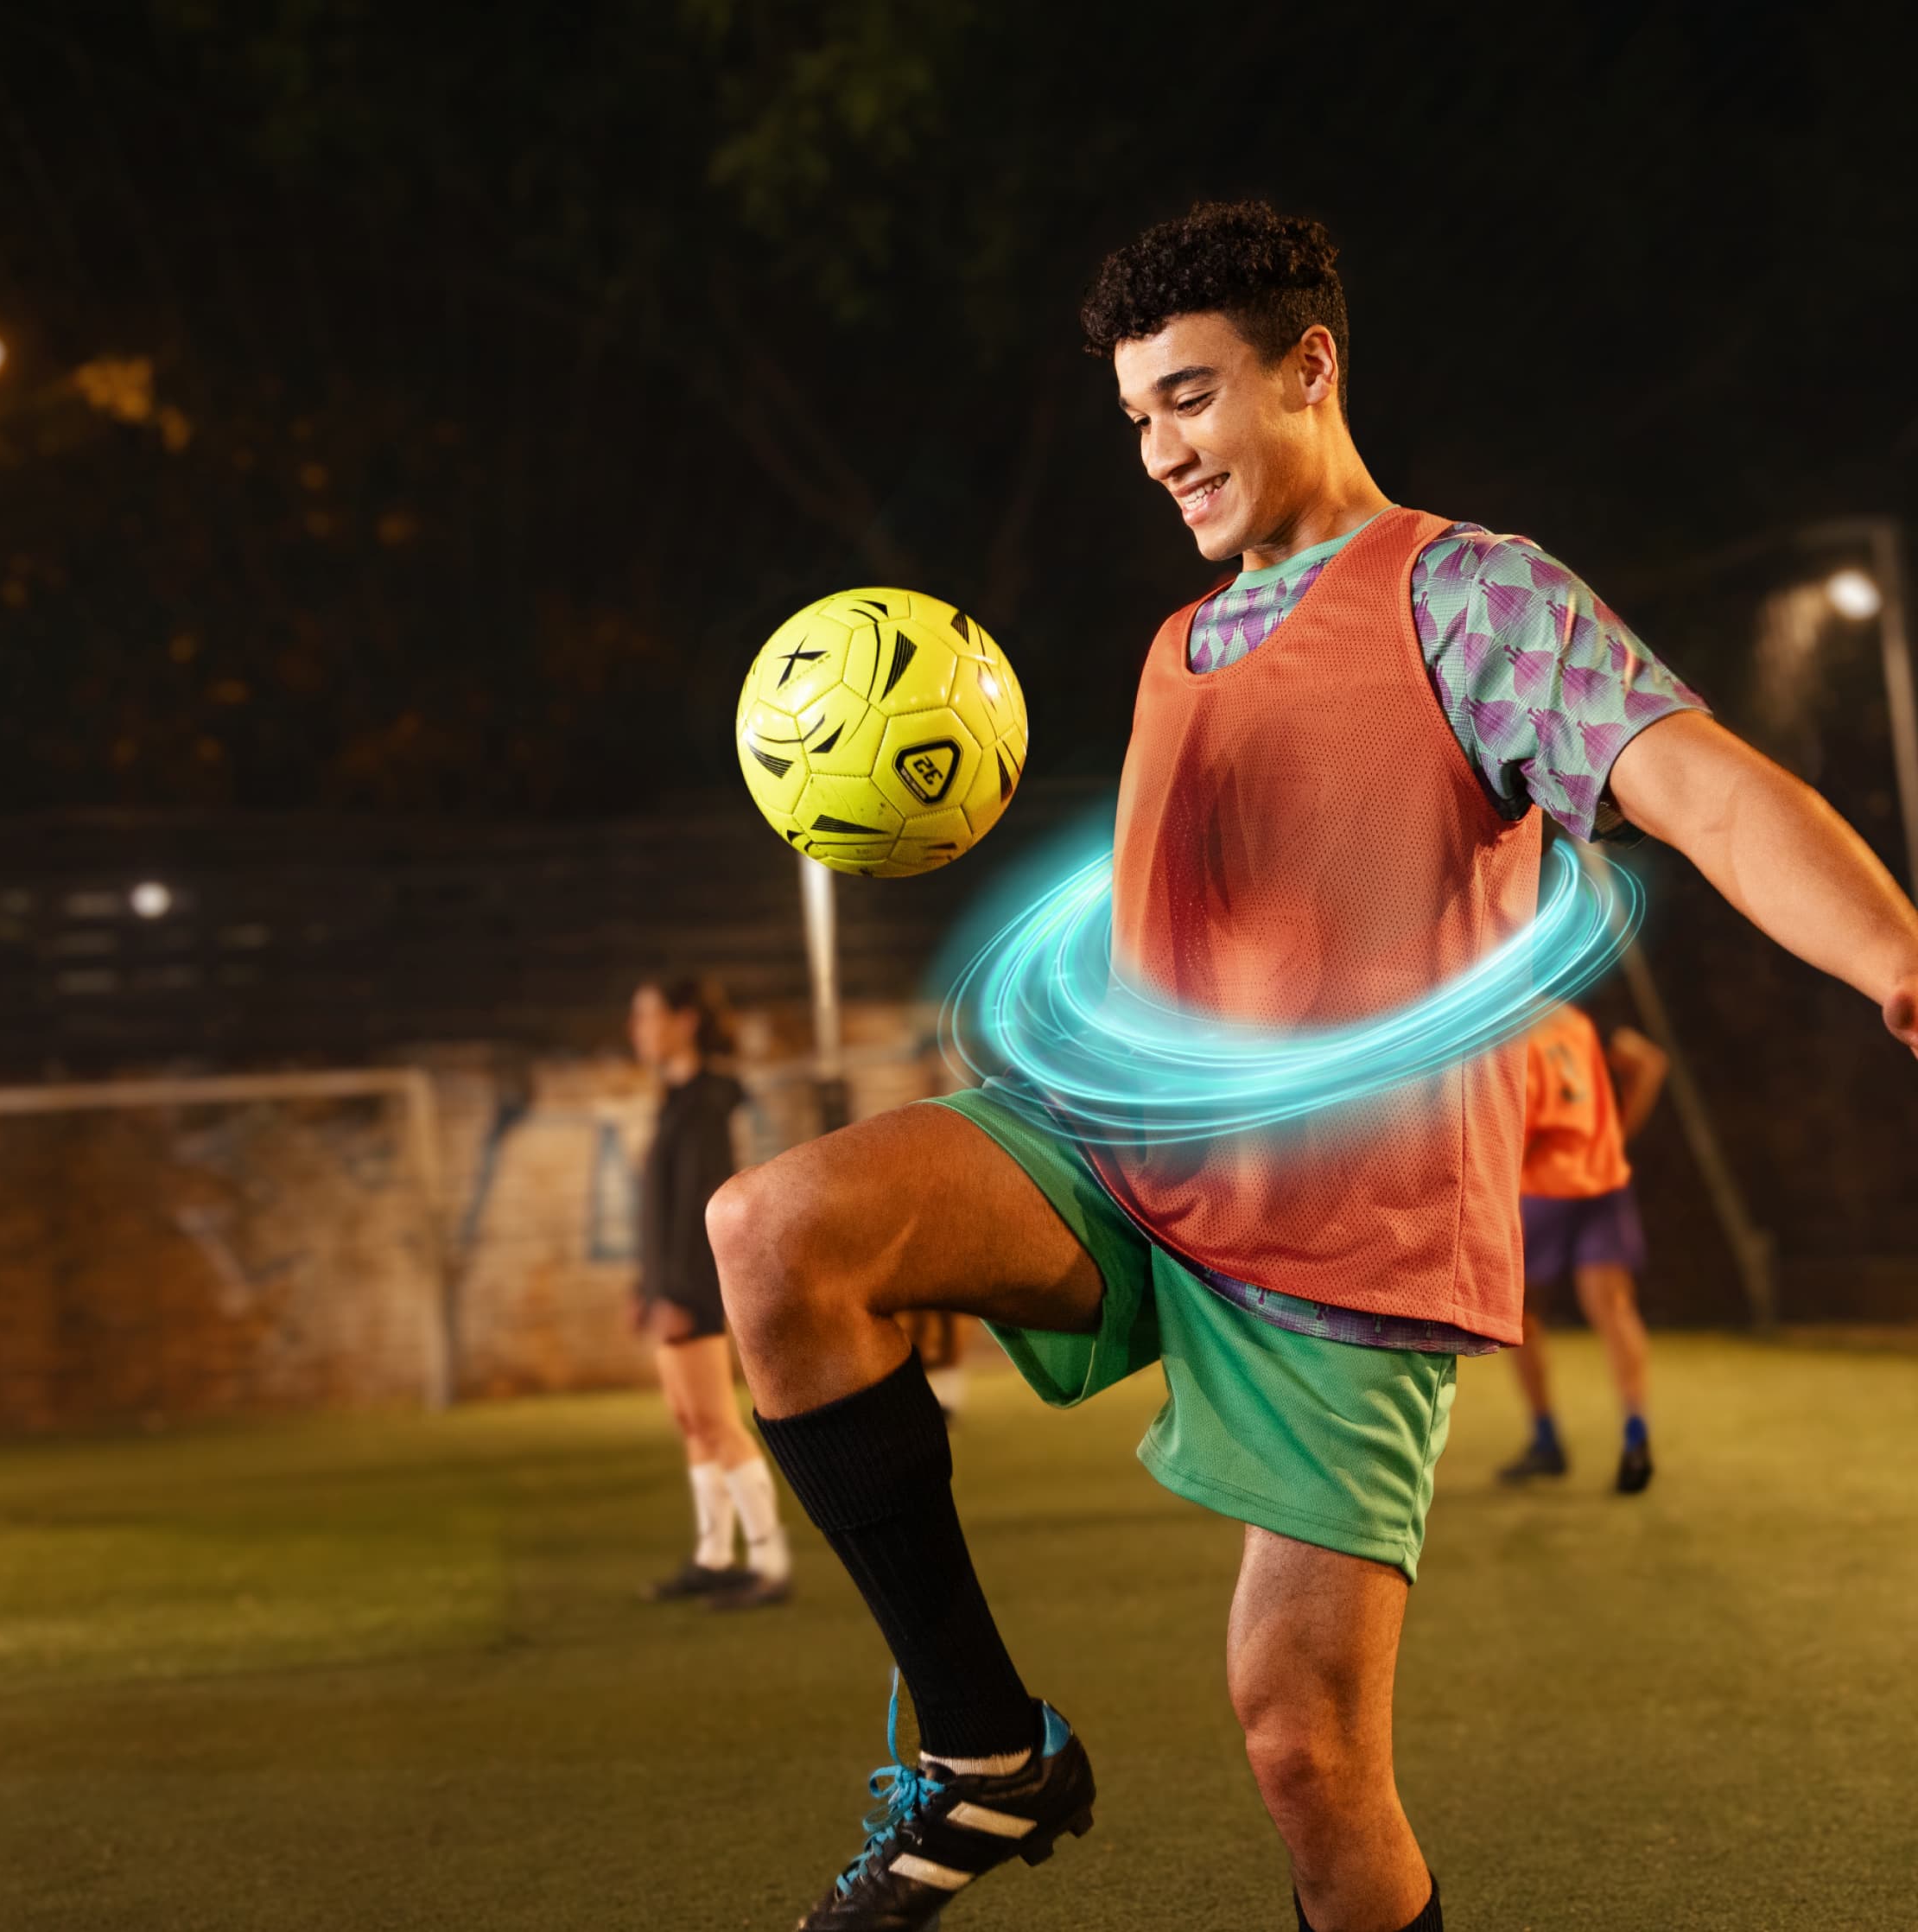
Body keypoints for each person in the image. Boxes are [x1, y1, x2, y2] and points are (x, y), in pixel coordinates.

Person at [705, 200, 1918, 1932]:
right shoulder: (1171, 653)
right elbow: (1155, 954)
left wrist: (1897, 951)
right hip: (1128, 1161)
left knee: (1304, 1753)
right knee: (774, 1225)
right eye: (1137, 417)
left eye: (1189, 398)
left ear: (1311, 368)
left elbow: (1696, 783)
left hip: (1351, 1243)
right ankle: (986, 1754)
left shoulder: (1468, 595)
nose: (1160, 451)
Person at [628, 977, 792, 1610]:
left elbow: (700, 1207)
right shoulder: (676, 1099)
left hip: (691, 1289)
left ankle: (771, 1565)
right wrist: (642, 1287)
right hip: (668, 1288)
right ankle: (715, 1555)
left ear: (685, 1021)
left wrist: (674, 1291)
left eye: (647, 1016)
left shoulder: (703, 1104)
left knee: (718, 1423)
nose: (636, 1029)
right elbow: (658, 1209)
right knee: (691, 1421)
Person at [1501, 1004, 1669, 1492]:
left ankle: (1546, 1439)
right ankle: (1636, 1435)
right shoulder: (1579, 1016)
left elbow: (1517, 1117)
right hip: (1601, 1177)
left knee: (1520, 1315)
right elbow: (1649, 1060)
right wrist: (1612, 1138)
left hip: (1542, 1182)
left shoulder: (1499, 1021)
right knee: (1614, 1308)